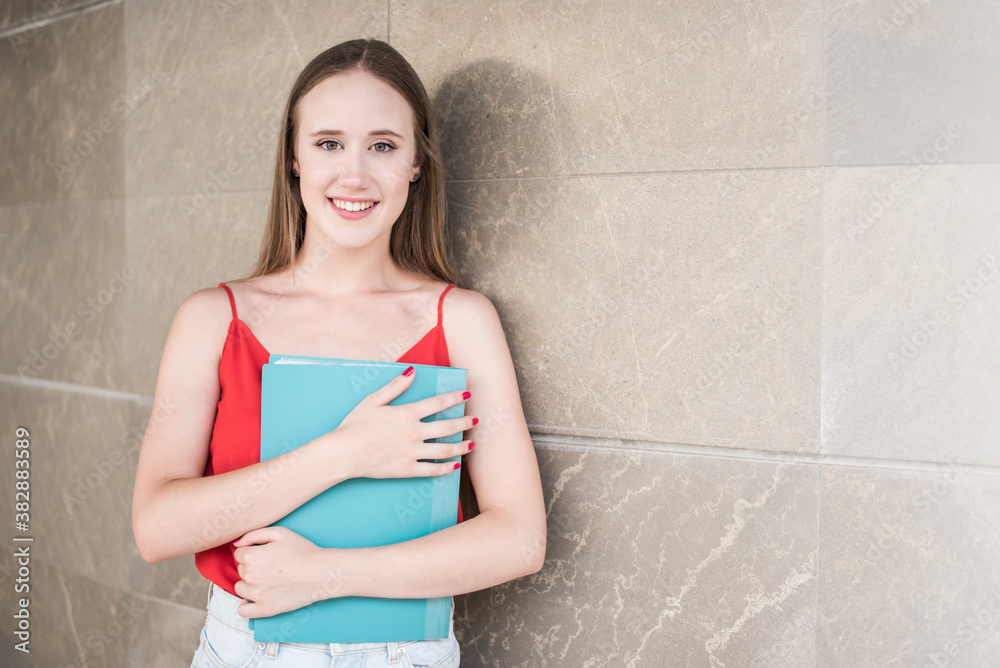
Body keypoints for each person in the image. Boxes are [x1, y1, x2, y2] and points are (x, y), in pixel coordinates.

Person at [131, 38, 546, 668]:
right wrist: (346, 453)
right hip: (245, 650)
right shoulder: (213, 319)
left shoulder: (462, 320)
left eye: (383, 146)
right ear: (293, 159)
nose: (354, 175)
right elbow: (156, 529)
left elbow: (519, 539)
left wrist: (326, 574)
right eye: (328, 143)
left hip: (405, 654)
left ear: (416, 164)